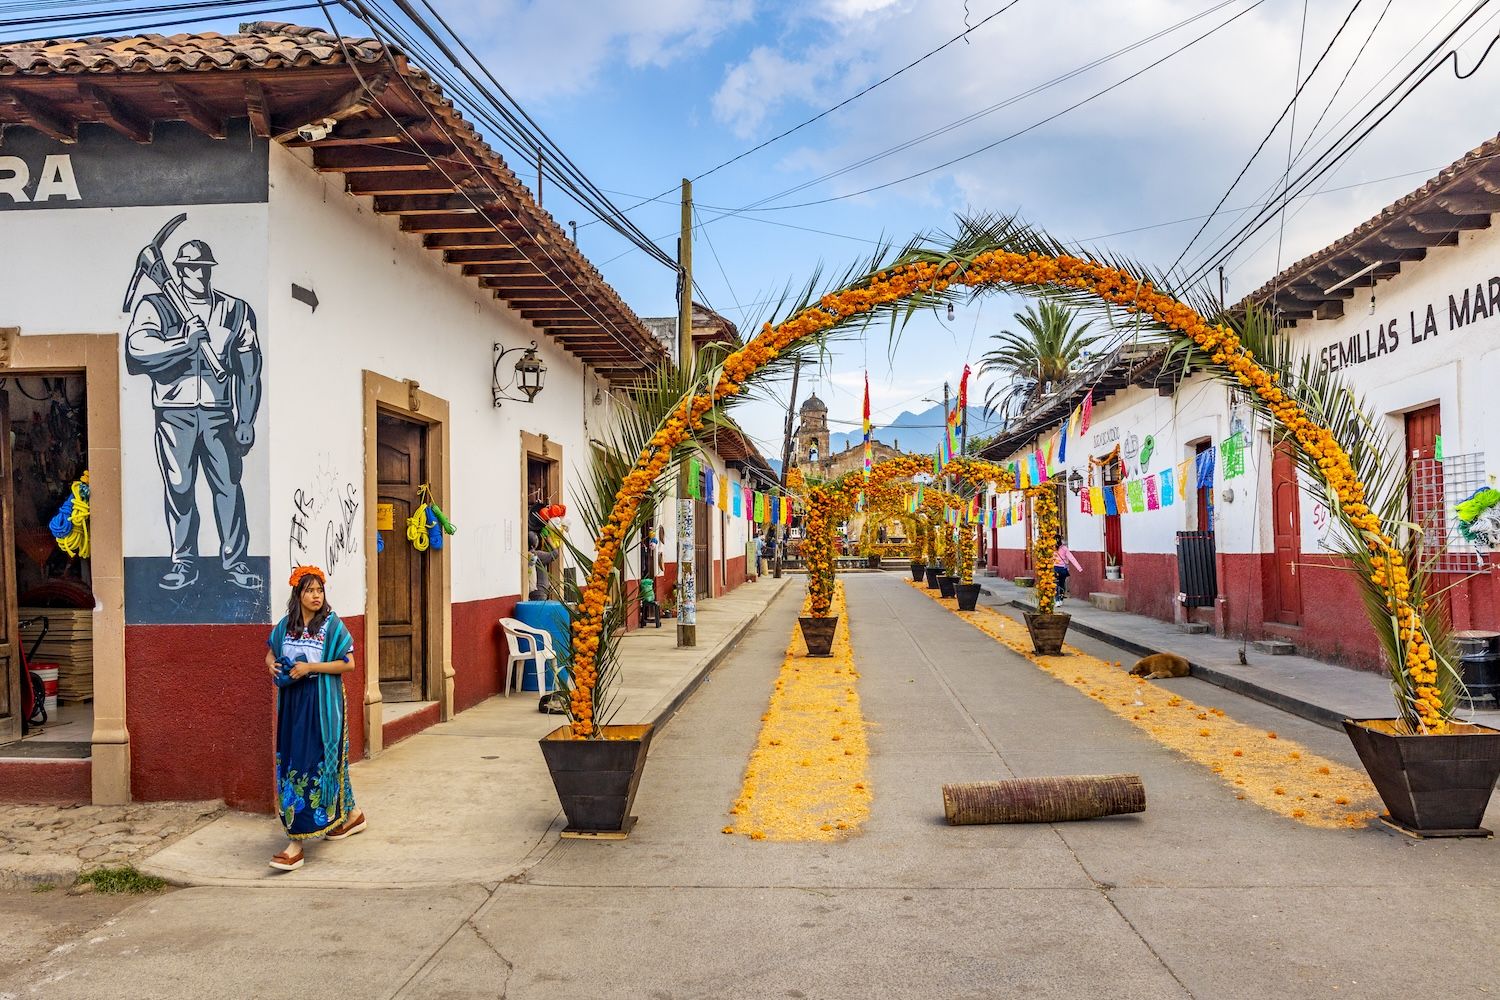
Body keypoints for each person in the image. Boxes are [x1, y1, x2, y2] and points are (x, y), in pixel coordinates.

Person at [126, 238, 263, 592]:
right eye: (190, 268)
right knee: (180, 487)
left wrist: (246, 418)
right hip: (174, 413)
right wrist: (183, 344)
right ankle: (184, 563)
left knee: (229, 487)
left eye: (203, 268)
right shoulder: (155, 305)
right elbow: (137, 351)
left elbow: (249, 368)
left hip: (219, 415)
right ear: (179, 270)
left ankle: (236, 563)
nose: (197, 274)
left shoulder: (235, 309)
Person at [265, 566, 363, 871]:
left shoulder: (332, 627)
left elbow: (348, 665)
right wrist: (271, 665)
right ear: (298, 594)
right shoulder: (286, 626)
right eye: (309, 590)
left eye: (319, 590)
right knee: (295, 762)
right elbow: (269, 652)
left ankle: (296, 843)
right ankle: (353, 814)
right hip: (292, 707)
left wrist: (311, 668)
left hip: (321, 708)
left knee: (311, 766)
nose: (316, 596)